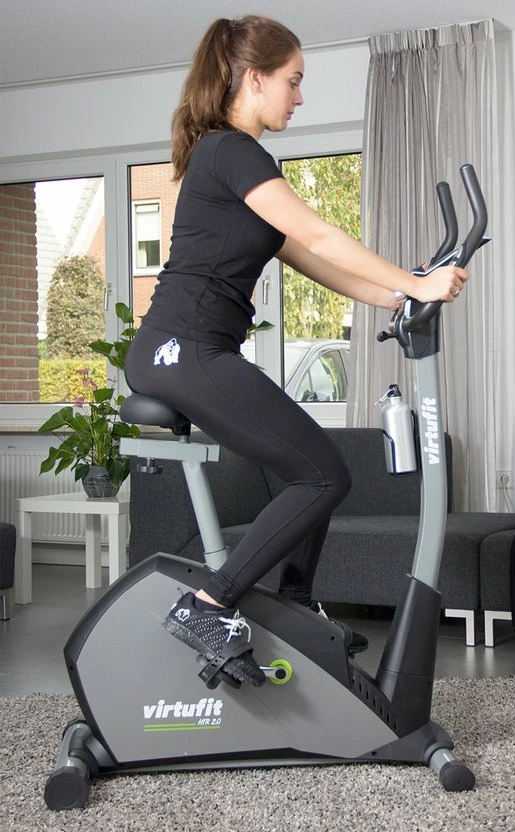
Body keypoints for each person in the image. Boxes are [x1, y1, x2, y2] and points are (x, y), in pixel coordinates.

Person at [124, 15, 468, 688]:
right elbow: (319, 232)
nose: (300, 96)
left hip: (192, 349)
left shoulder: (231, 159)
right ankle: (209, 605)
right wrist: (416, 283)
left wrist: (396, 296)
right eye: (293, 80)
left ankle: (294, 606)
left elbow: (310, 258)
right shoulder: (231, 151)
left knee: (315, 468)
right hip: (182, 348)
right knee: (324, 476)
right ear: (255, 79)